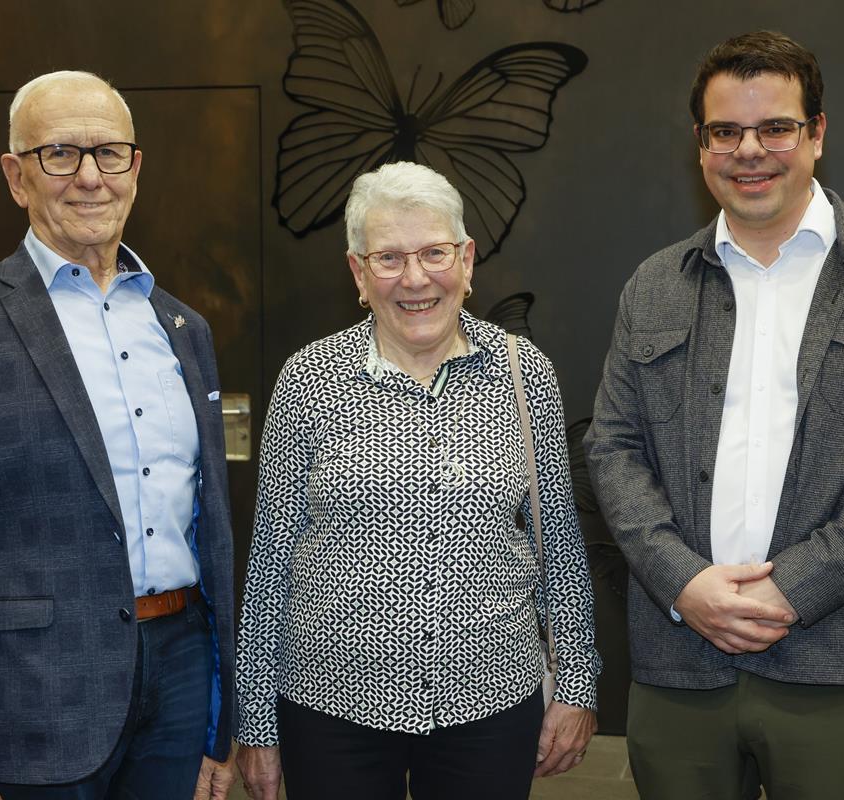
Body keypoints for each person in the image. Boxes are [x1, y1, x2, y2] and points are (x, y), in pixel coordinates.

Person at [584, 31, 844, 799]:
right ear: (700, 144)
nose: (749, 151)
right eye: (725, 131)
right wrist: (683, 583)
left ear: (817, 133)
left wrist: (795, 586)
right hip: (680, 658)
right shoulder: (654, 285)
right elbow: (613, 449)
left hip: (842, 657)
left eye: (776, 128)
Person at [0, 70, 239, 800]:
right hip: (37, 698)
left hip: (180, 681)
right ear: (16, 177)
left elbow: (210, 531)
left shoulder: (184, 328)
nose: (89, 177)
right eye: (59, 154)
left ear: (135, 168)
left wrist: (219, 722)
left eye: (108, 152)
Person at [233, 161, 602, 800]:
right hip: (330, 704)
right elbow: (271, 562)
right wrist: (256, 722)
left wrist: (577, 683)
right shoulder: (308, 379)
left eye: (434, 253)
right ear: (358, 273)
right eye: (388, 259)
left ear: (466, 260)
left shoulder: (524, 374)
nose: (414, 278)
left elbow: (560, 548)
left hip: (490, 701)